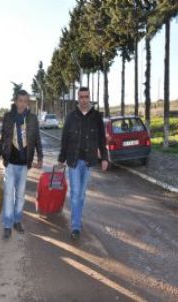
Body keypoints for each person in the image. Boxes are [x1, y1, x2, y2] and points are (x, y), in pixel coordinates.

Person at [58, 87, 109, 240]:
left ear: (89, 98)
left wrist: (105, 158)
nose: (84, 100)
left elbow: (102, 139)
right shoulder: (71, 116)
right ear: (78, 99)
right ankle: (75, 227)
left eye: (86, 97)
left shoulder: (96, 117)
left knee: (81, 195)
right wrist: (61, 158)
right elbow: (65, 138)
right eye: (81, 97)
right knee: (75, 194)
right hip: (73, 161)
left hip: (88, 161)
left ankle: (77, 219)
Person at [0, 90, 43, 239]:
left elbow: (37, 139)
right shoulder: (8, 117)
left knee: (20, 196)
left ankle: (17, 220)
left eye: (25, 101)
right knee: (8, 195)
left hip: (24, 163)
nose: (22, 104)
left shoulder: (32, 119)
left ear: (28, 103)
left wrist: (40, 157)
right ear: (15, 101)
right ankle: (7, 224)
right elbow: (2, 139)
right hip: (10, 163)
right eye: (20, 100)